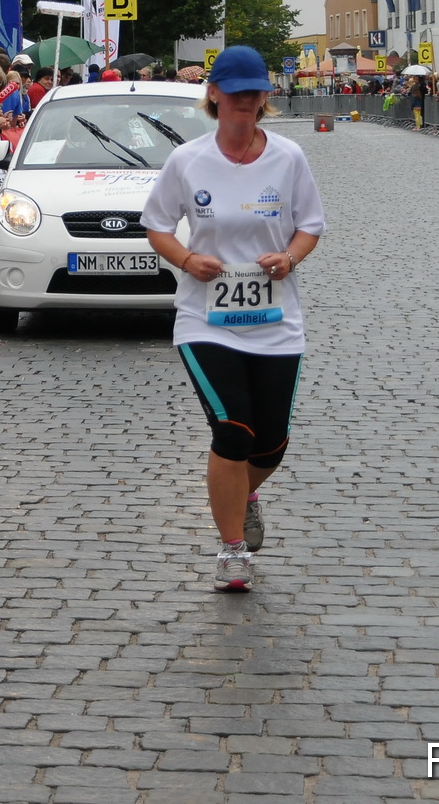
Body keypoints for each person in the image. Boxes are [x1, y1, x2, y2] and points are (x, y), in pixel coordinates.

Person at [141, 46, 325, 594]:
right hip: (206, 320)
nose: (247, 101)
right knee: (234, 429)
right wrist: (186, 259)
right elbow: (157, 225)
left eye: (256, 91)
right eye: (236, 91)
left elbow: (310, 225)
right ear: (214, 94)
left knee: (270, 444)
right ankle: (232, 550)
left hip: (276, 319)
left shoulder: (288, 157)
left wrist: (289, 257)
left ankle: (244, 495)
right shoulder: (187, 161)